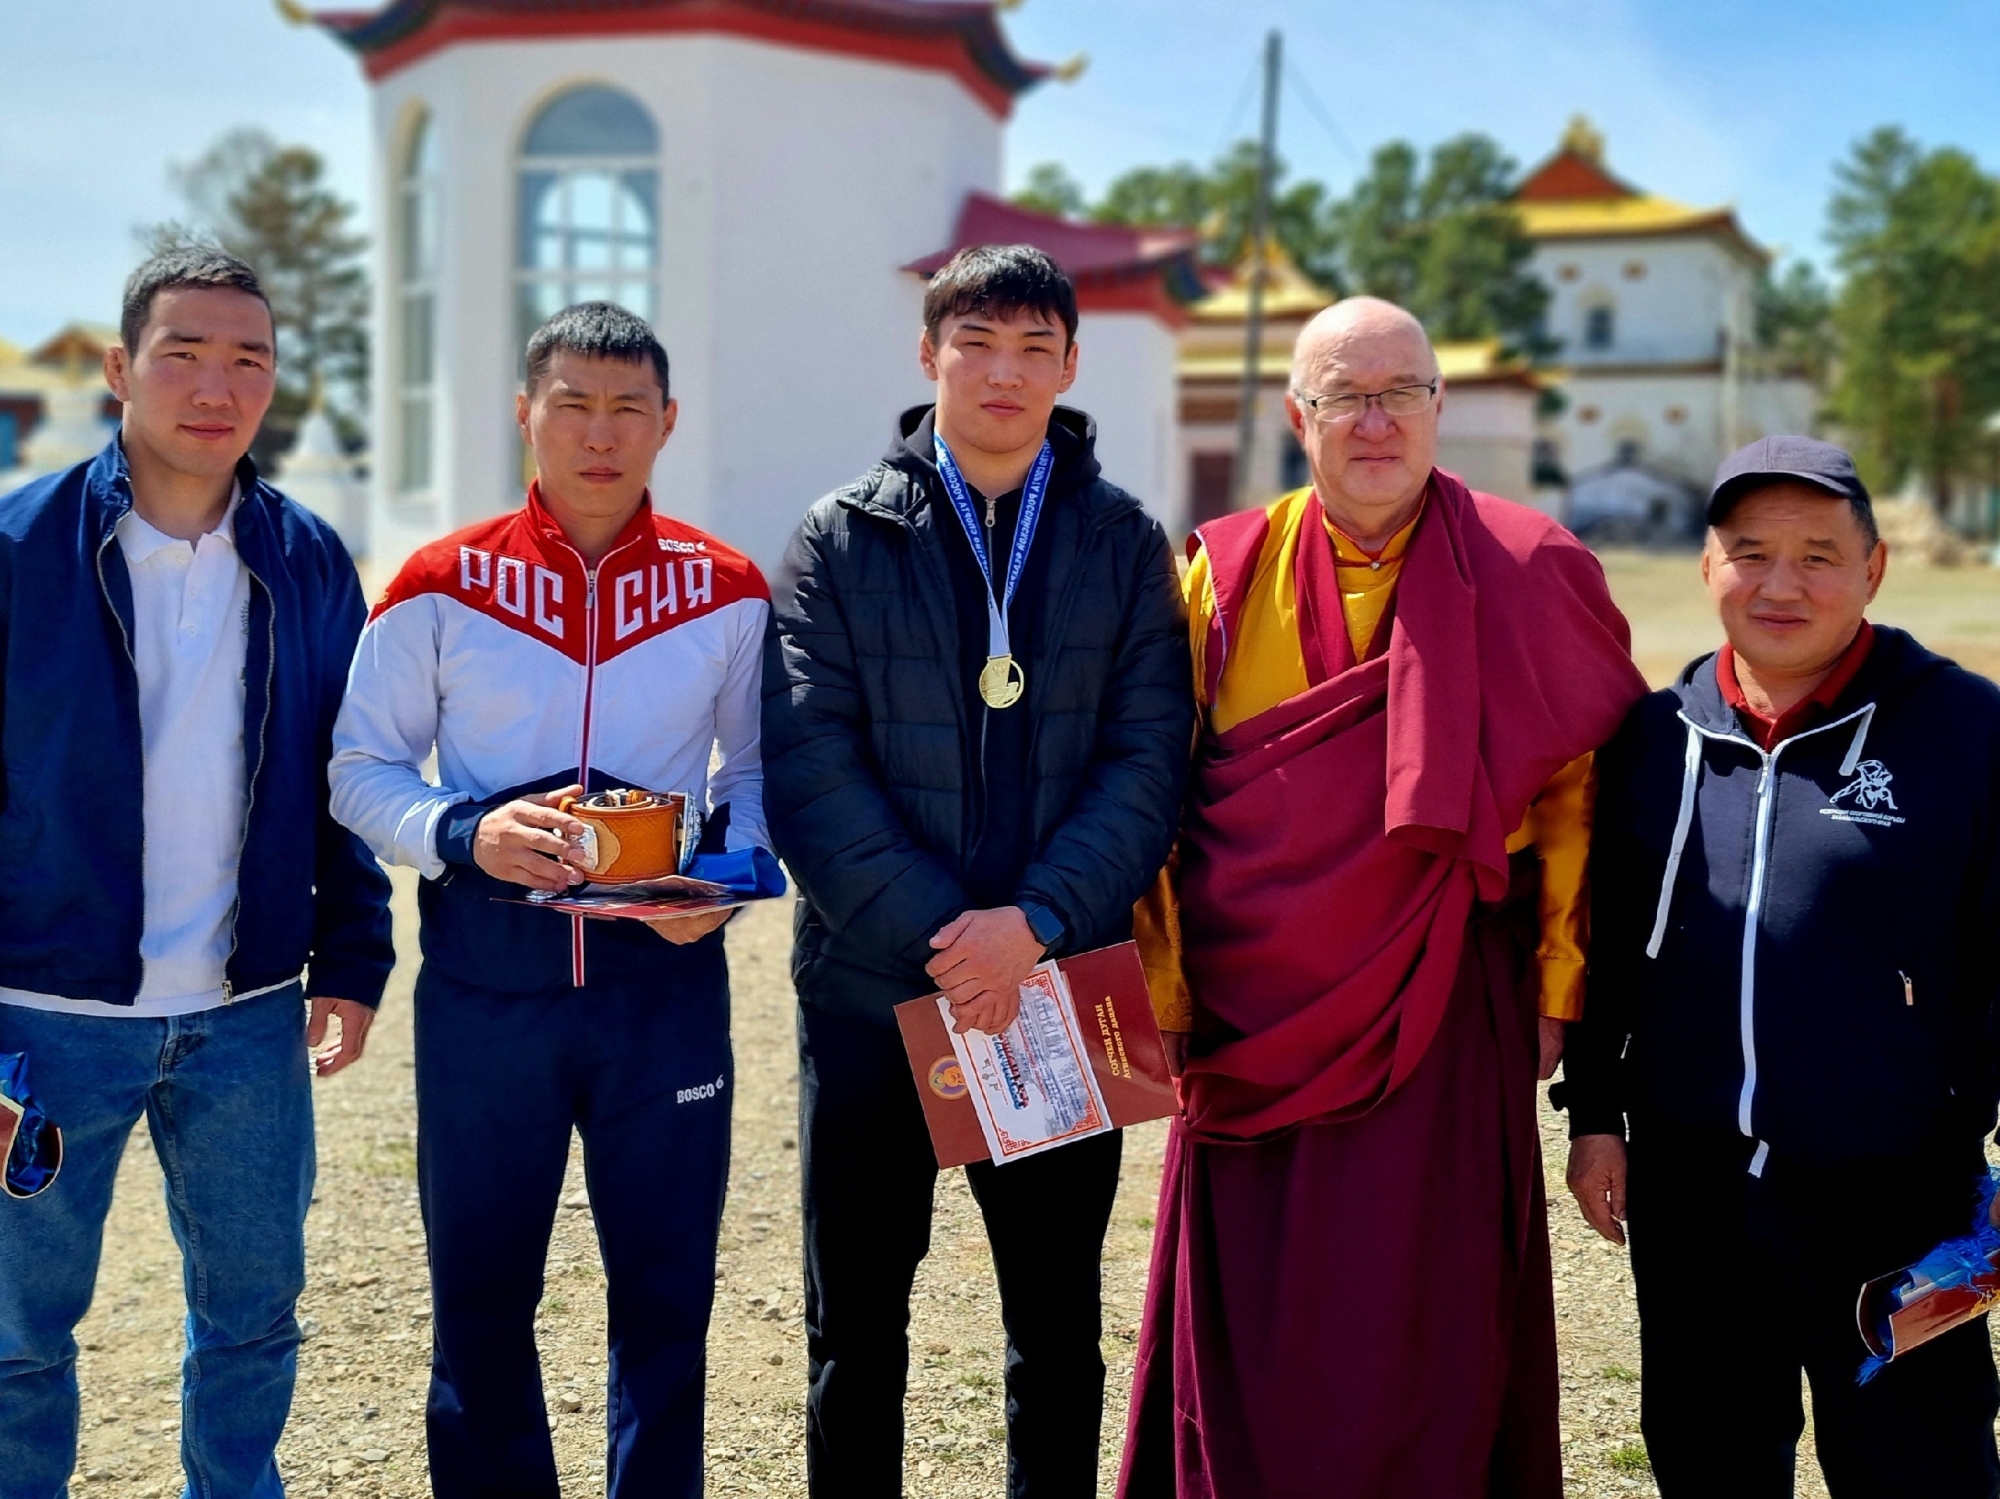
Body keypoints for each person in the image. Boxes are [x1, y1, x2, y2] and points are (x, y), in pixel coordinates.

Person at [1119, 297, 1647, 1499]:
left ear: (1436, 407)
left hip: (1442, 993)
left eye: (1398, 391)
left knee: (1432, 1301)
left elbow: (1576, 796)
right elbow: (1155, 791)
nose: (1373, 421)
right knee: (1258, 1307)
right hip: (1251, 1013)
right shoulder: (1221, 571)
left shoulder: (1528, 565)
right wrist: (1164, 983)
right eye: (1343, 395)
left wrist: (1560, 986)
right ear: (1295, 415)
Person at [762, 243, 1192, 1497]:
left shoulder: (1120, 540)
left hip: (1061, 985)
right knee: (856, 1324)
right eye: (975, 343)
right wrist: (958, 938)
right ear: (927, 354)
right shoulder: (838, 536)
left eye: (1030, 347)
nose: (1003, 372)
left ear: (1069, 362)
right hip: (869, 988)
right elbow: (808, 765)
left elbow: (1146, 756)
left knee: (1054, 1322)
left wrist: (1040, 922)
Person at [328, 302, 769, 1499]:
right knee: (478, 1298)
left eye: (628, 407)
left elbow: (757, 770)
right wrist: (463, 831)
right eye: (571, 402)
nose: (599, 432)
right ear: (524, 412)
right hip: (485, 991)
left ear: (667, 422)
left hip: (664, 992)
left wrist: (724, 882)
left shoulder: (726, 587)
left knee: (669, 1299)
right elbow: (358, 769)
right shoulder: (437, 581)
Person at [0, 247, 395, 1499]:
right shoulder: (17, 551)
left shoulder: (309, 557)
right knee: (15, 1340)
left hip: (245, 1017)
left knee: (252, 1319)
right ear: (120, 369)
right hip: (43, 1018)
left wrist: (357, 953)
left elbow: (346, 765)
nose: (216, 386)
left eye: (249, 360)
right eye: (183, 352)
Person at [1561, 437, 2000, 1497]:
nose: (1778, 582)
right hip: (1689, 1192)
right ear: (1707, 565)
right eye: (1748, 550)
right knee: (1709, 1462)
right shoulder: (1650, 737)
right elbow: (1606, 940)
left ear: (1872, 569)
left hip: (1896, 1195)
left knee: (1917, 1474)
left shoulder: (1963, 727)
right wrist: (1592, 1115)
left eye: (1815, 553)